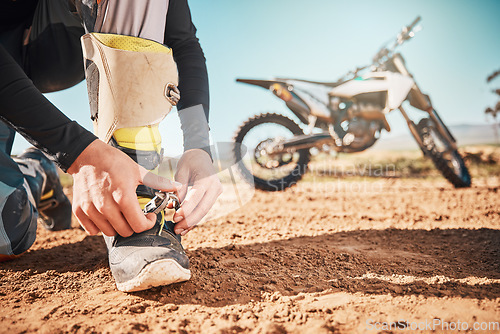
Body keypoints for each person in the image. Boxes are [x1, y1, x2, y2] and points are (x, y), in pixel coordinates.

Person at [0, 0, 222, 292]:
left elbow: (183, 41)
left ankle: (133, 199)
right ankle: (36, 171)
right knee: (5, 232)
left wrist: (198, 145)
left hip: (56, 36)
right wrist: (78, 153)